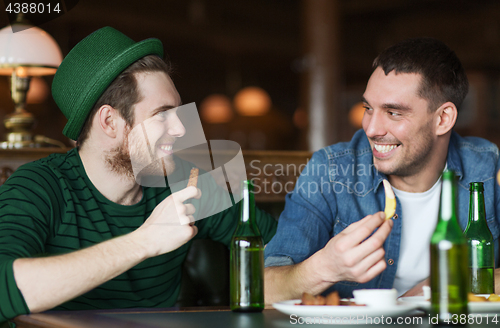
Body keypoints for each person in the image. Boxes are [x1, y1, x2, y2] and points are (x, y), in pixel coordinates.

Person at [0, 26, 277, 323]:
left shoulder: (184, 180)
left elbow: (278, 244)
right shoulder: (39, 187)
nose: (181, 129)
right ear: (109, 121)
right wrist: (144, 241)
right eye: (162, 114)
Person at [264, 37, 500, 303]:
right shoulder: (330, 170)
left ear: (443, 119)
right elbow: (263, 287)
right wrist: (322, 268)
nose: (372, 129)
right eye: (368, 108)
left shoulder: (488, 169)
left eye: (394, 113)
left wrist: (442, 281)